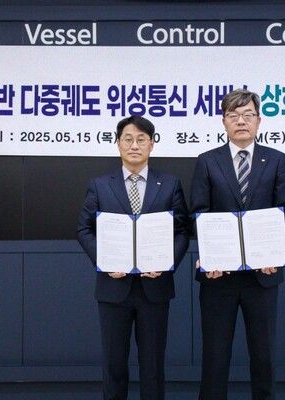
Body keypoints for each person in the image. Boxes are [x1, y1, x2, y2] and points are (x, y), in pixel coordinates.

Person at [190, 89, 285, 400]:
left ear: (259, 121)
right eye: (233, 115)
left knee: (264, 358)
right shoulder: (207, 161)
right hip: (218, 278)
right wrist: (209, 254)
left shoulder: (275, 160)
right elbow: (198, 213)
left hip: (263, 276)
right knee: (215, 358)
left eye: (248, 115)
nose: (241, 121)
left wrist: (275, 250)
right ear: (223, 121)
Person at [77, 115, 189, 400]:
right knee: (114, 364)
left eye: (141, 139)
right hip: (113, 288)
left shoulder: (170, 184)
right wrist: (104, 260)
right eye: (128, 139)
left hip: (155, 287)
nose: (134, 145)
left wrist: (167, 263)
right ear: (118, 144)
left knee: (153, 366)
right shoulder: (100, 185)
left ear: (152, 144)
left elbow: (182, 231)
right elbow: (84, 229)